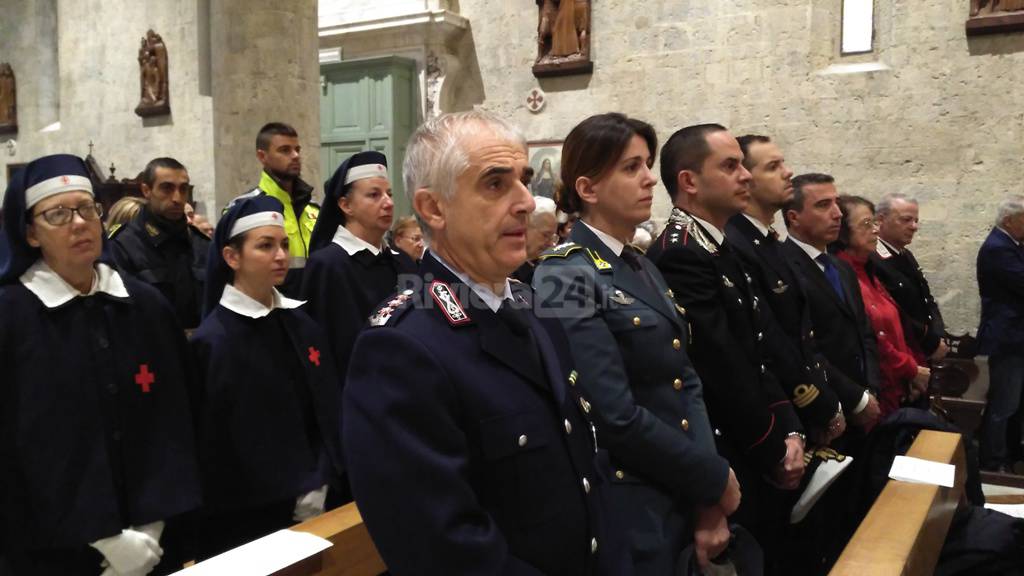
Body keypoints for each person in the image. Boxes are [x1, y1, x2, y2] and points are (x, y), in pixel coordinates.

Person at [344, 111, 625, 575]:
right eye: (496, 184)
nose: (526, 203)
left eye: (524, 180)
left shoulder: (533, 307)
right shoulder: (401, 349)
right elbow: (442, 547)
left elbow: (583, 468)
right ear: (434, 209)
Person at [533, 113, 741, 575]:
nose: (650, 179)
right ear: (587, 189)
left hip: (683, 486)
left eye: (647, 164)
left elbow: (685, 379)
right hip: (631, 500)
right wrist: (710, 478)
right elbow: (611, 414)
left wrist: (709, 488)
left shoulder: (641, 264)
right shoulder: (562, 273)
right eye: (631, 168)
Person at [0, 154, 201, 575]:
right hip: (50, 550)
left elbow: (176, 420)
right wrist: (104, 537)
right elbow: (17, 450)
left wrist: (152, 527)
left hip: (155, 544)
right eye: (58, 214)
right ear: (30, 233)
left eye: (88, 209)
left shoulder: (146, 307)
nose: (78, 223)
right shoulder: (11, 319)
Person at [648, 124, 804, 572]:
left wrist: (789, 427)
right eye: (730, 166)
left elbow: (757, 348)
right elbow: (721, 369)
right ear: (689, 181)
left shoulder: (720, 246)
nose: (746, 177)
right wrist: (772, 446)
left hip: (757, 435)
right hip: (730, 448)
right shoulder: (681, 253)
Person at [189, 195, 344, 558]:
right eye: (265, 246)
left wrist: (321, 478)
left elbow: (327, 409)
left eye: (284, 244)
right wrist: (292, 491)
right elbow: (223, 443)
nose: (280, 256)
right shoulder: (214, 342)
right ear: (232, 257)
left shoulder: (302, 324)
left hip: (321, 497)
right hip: (251, 516)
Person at [726, 135, 845, 447]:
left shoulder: (767, 241)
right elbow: (771, 342)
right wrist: (818, 404)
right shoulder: (737, 244)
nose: (788, 172)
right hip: (783, 414)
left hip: (809, 403)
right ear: (747, 180)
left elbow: (803, 336)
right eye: (774, 166)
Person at [300, 151, 415, 466]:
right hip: (359, 415)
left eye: (390, 194)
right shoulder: (328, 266)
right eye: (374, 195)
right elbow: (325, 356)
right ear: (345, 205)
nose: (388, 202)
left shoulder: (401, 262)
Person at [781, 173, 882, 433]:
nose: (837, 214)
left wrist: (869, 389)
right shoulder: (783, 268)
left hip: (864, 400)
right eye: (823, 205)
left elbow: (864, 332)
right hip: (825, 409)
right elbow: (804, 349)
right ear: (794, 217)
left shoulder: (840, 267)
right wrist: (854, 399)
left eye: (836, 203)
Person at [831, 195, 931, 418]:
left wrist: (914, 370)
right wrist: (911, 369)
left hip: (900, 385)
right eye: (867, 224)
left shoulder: (868, 270)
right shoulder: (843, 274)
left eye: (875, 223)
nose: (875, 230)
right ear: (843, 231)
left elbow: (899, 324)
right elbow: (875, 335)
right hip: (878, 390)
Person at [107, 157, 210, 329]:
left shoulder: (202, 244)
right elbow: (121, 315)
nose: (177, 198)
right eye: (167, 188)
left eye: (183, 189)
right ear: (146, 190)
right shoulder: (124, 245)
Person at [228, 122, 319, 297]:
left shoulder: (315, 209)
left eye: (297, 150)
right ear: (262, 156)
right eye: (285, 150)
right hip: (268, 306)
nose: (295, 156)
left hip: (313, 307)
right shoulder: (244, 208)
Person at [976, 195, 1024, 473]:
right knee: (1004, 404)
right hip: (1008, 338)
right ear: (1009, 220)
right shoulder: (998, 247)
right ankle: (993, 462)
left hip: (1017, 337)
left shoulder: (1012, 244)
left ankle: (1011, 453)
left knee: (1015, 404)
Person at [872, 192, 949, 361]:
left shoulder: (905, 254)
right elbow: (894, 312)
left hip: (922, 348)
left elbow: (926, 299)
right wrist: (929, 341)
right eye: (906, 220)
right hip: (902, 350)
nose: (914, 226)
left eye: (916, 221)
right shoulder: (874, 259)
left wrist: (938, 335)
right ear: (880, 220)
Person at [512, 195, 558, 284]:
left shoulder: (547, 270)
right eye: (546, 235)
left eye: (553, 238)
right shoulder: (503, 269)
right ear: (524, 227)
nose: (551, 244)